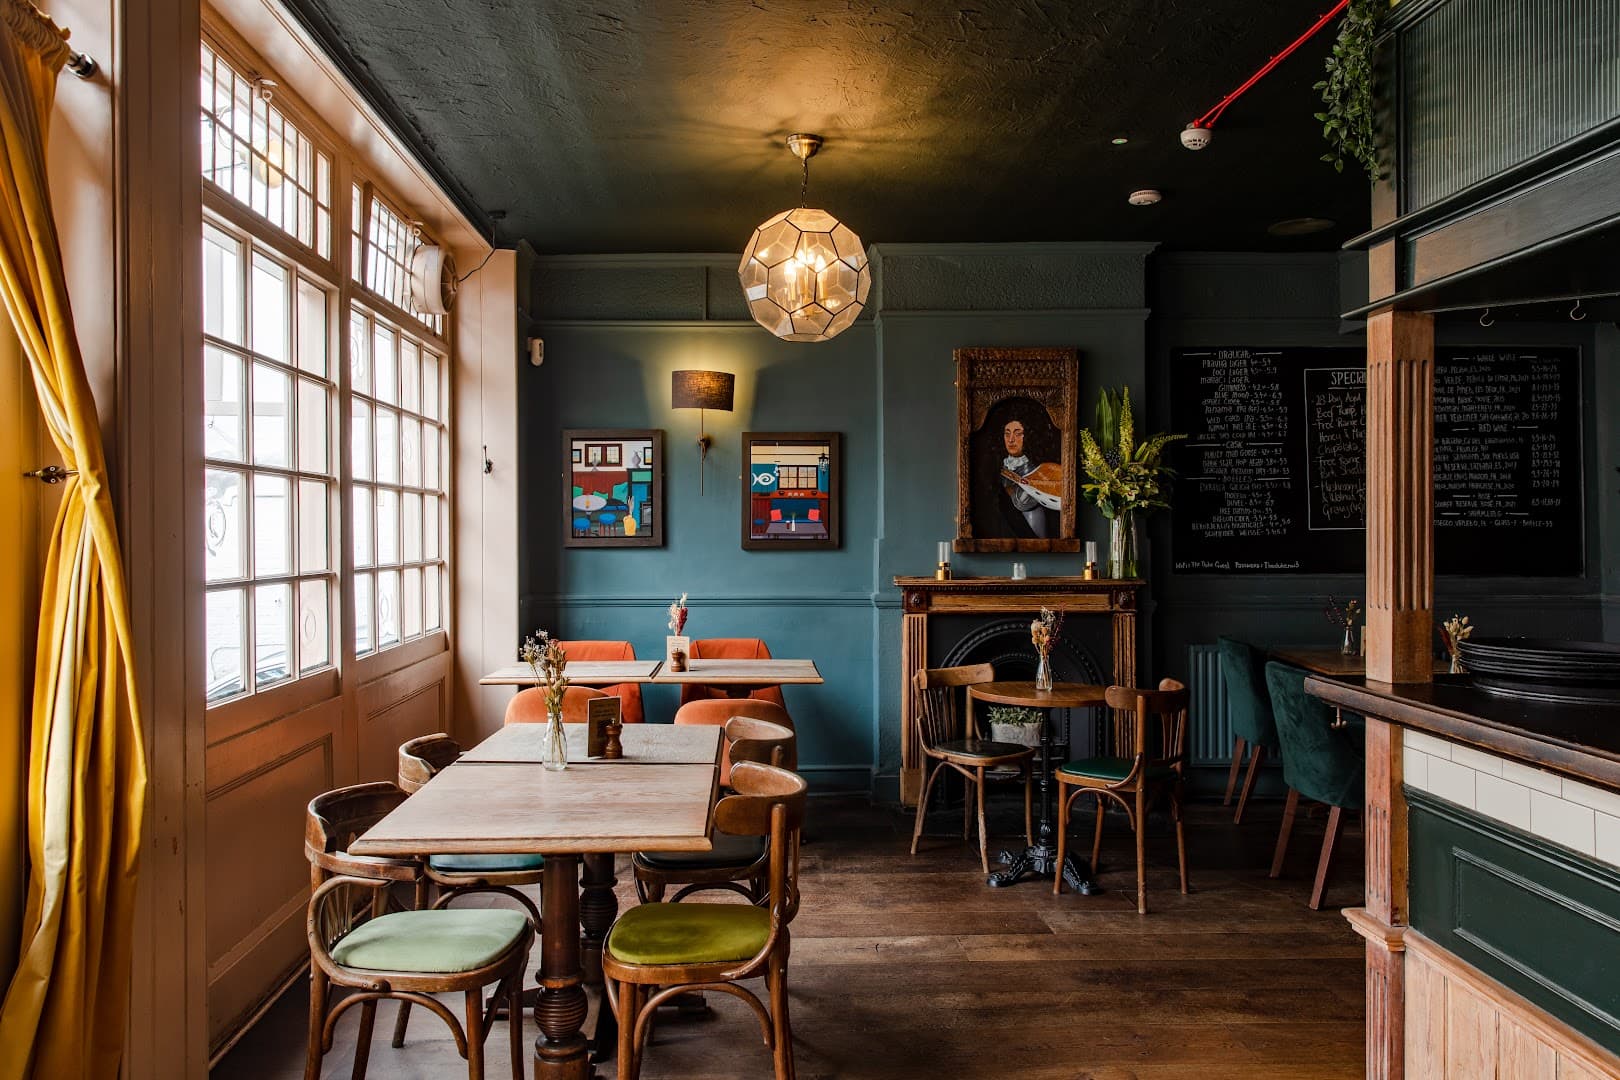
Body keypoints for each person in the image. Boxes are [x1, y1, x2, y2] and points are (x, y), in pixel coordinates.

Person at [998, 418, 1061, 537]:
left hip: (1034, 522)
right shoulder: (1000, 466)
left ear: (1026, 437)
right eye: (1007, 434)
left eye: (1017, 434)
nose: (1011, 439)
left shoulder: (1039, 468)